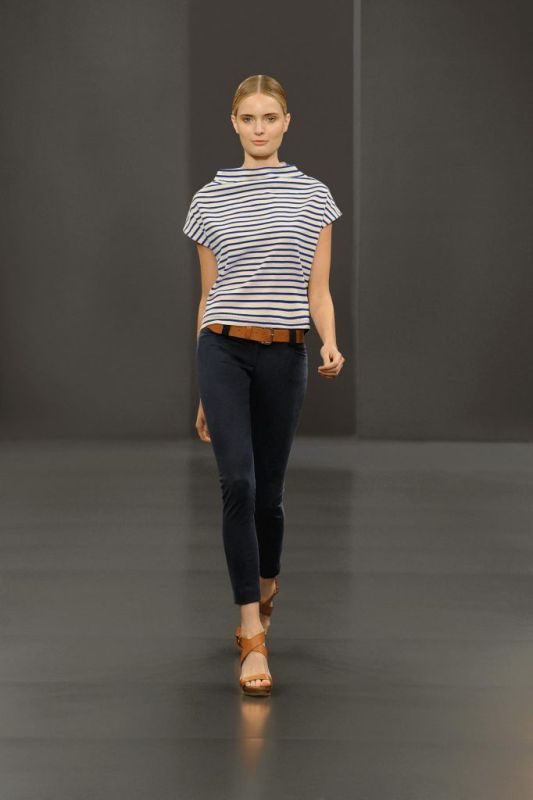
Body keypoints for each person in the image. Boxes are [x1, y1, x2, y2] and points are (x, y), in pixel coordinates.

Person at [183, 74, 345, 696]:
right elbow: (208, 294)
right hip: (222, 348)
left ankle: (267, 579)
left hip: (285, 353)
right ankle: (251, 630)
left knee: (269, 495)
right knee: (238, 483)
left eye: (269, 117)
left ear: (286, 122)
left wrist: (329, 341)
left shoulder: (314, 196)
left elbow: (317, 289)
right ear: (234, 123)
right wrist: (204, 388)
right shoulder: (209, 199)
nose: (258, 128)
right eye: (248, 118)